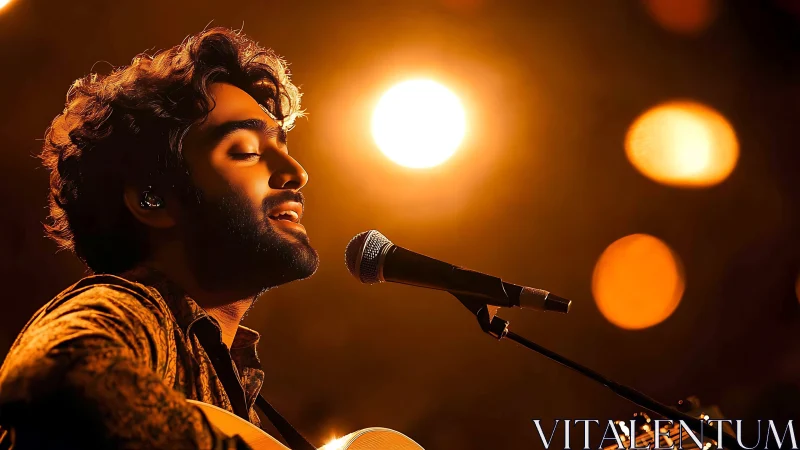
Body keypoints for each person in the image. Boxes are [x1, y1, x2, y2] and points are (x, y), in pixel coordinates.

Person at [0, 27, 318, 449]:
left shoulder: (227, 384)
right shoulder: (131, 307)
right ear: (154, 200)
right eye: (245, 151)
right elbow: (58, 372)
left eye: (283, 146)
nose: (297, 172)